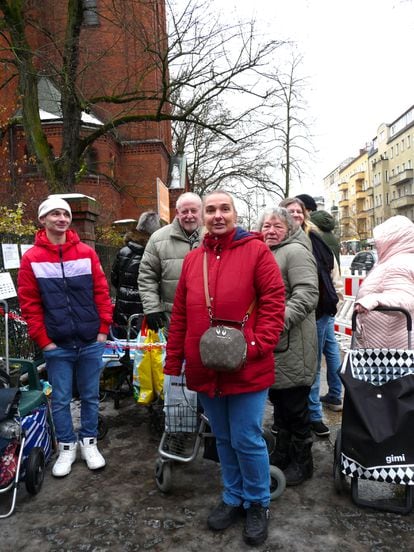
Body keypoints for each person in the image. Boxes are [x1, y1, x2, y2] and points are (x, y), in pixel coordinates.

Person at [165, 190, 285, 546]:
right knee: (224, 438)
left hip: (247, 365)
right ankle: (233, 497)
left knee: (247, 437)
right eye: (211, 210)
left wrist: (255, 345)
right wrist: (174, 362)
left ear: (235, 213)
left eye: (225, 209)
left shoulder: (257, 251)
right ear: (202, 216)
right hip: (205, 366)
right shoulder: (193, 260)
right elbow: (181, 317)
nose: (218, 215)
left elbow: (275, 304)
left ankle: (258, 503)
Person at [17, 196, 113, 477]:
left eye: (65, 214)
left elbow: (101, 292)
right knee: (59, 399)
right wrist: (44, 340)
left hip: (90, 340)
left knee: (91, 396)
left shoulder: (86, 252)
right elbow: (29, 304)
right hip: (57, 343)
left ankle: (90, 442)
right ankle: (67, 447)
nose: (61, 218)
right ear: (43, 219)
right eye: (55, 214)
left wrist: (103, 329)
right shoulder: (32, 258)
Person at [257, 207, 318, 486]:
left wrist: (276, 322)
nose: (270, 231)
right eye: (266, 226)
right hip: (275, 345)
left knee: (295, 407)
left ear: (289, 229)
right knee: (280, 403)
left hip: (293, 343)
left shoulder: (295, 251)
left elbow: (307, 293)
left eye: (277, 227)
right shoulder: (267, 252)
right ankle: (282, 453)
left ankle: (303, 463)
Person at [280, 197, 340, 437]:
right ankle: (287, 417)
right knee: (286, 366)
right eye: (290, 211)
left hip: (317, 312)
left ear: (305, 214)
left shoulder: (315, 240)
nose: (295, 214)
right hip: (287, 314)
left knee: (311, 366)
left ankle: (314, 414)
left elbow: (331, 271)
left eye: (299, 211)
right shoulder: (275, 239)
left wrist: (333, 298)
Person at [138, 192, 202, 332]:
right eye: (184, 211)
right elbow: (147, 277)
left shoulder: (213, 237)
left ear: (201, 212)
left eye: (194, 211)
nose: (189, 215)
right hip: (171, 321)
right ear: (177, 213)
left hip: (206, 319)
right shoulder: (158, 239)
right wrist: (152, 308)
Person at [354, 215, 414, 348]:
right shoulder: (397, 260)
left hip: (387, 351)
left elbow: (405, 298)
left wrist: (373, 300)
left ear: (392, 240)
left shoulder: (399, 264)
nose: (376, 244)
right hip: (388, 343)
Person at [310, 209, 343, 412]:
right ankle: (336, 394)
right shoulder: (331, 236)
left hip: (320, 302)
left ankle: (313, 409)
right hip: (329, 300)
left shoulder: (313, 237)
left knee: (314, 355)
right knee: (331, 350)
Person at [110, 211, 160, 338]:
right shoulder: (155, 252)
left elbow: (114, 279)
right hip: (147, 311)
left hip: (123, 310)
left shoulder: (123, 252)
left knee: (125, 349)